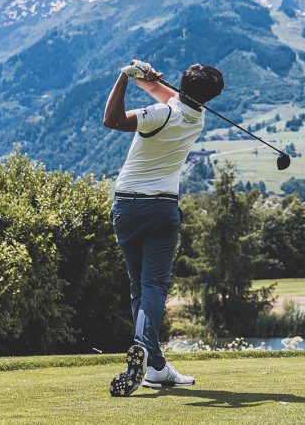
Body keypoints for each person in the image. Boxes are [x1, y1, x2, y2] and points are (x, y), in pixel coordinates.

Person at [102, 59, 224, 397]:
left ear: (183, 85)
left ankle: (150, 360)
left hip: (127, 206)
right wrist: (147, 79)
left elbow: (111, 120)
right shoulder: (197, 117)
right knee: (153, 286)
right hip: (162, 209)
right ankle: (152, 362)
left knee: (139, 288)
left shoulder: (160, 114)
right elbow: (169, 94)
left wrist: (124, 77)